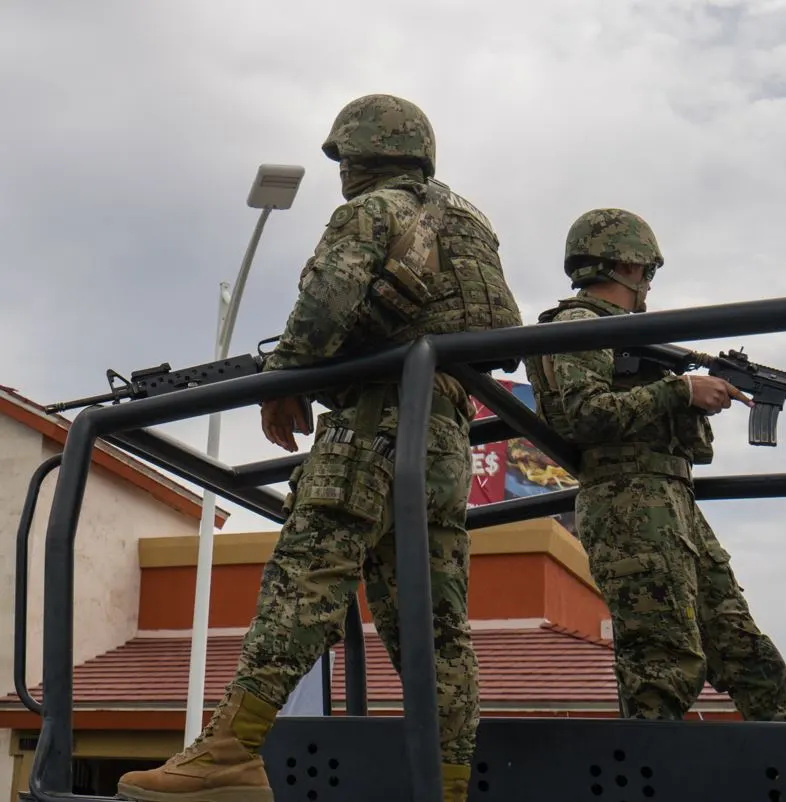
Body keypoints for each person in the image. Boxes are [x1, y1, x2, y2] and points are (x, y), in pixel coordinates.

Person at [117, 94, 522, 802]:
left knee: (305, 578)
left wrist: (285, 379)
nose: (341, 174)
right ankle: (451, 784)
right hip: (442, 437)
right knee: (434, 626)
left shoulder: (373, 211)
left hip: (374, 425)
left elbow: (329, 300)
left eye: (345, 160)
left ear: (362, 155)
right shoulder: (468, 223)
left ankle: (229, 756)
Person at [525, 207, 786, 722]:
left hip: (671, 500)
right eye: (648, 271)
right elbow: (584, 415)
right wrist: (680, 391)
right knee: (663, 663)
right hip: (629, 498)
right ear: (628, 266)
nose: (649, 284)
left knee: (746, 653)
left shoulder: (628, 336)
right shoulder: (578, 326)